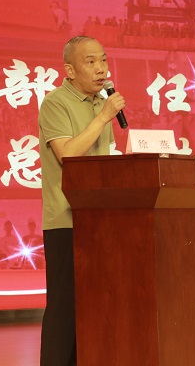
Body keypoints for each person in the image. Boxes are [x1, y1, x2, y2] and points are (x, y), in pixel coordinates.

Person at [37, 35, 125, 366]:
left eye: (103, 60)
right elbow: (69, 155)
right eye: (91, 62)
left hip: (101, 221)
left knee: (97, 308)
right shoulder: (55, 103)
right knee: (65, 310)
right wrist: (103, 117)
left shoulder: (101, 103)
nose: (101, 68)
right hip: (67, 221)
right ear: (70, 70)